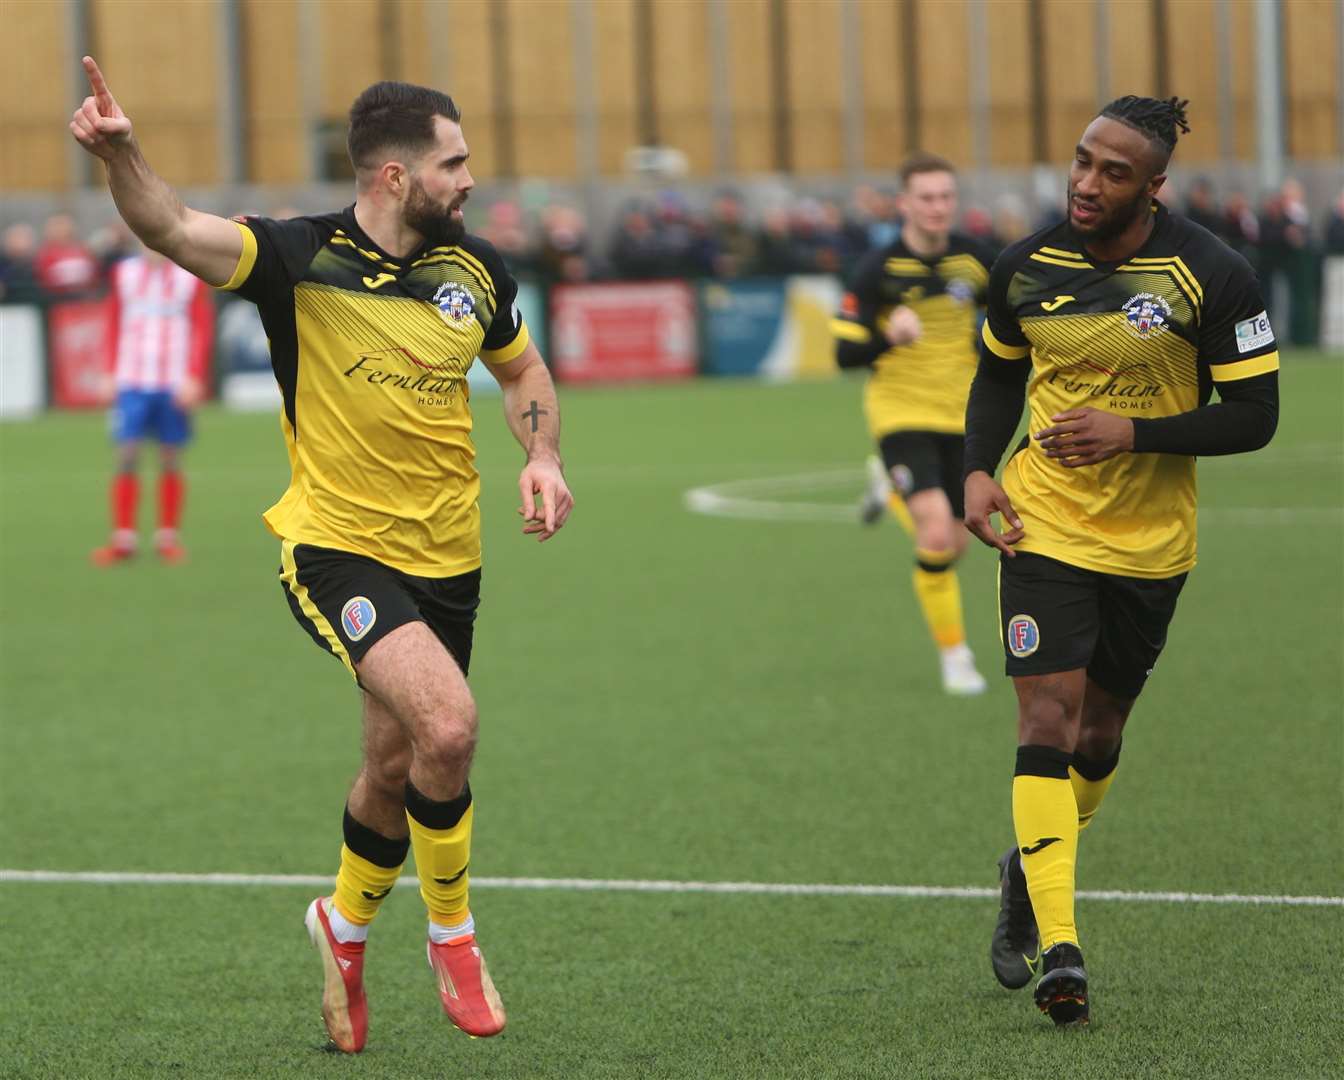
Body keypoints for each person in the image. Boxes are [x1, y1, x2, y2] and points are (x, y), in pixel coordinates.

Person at [71, 57, 574, 1052]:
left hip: (451, 559)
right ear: (396, 176)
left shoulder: (475, 270)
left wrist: (544, 454)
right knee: (451, 727)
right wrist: (123, 157)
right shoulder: (297, 257)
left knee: (393, 766)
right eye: (454, 162)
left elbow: (521, 369)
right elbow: (172, 227)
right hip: (337, 550)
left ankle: (342, 927)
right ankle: (453, 933)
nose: (470, 179)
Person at [962, 96, 1278, 1026]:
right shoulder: (1025, 266)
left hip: (1150, 542)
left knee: (1099, 736)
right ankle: (1062, 944)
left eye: (1112, 172)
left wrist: (1132, 431)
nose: (1086, 183)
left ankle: (1028, 870)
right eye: (1081, 161)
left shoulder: (1211, 274)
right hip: (1042, 522)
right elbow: (996, 372)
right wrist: (978, 470)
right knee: (1046, 715)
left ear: (1154, 186)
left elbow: (1255, 417)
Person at [832, 152, 998, 695]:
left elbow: (1016, 324)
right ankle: (956, 657)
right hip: (901, 411)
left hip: (963, 414)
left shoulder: (977, 262)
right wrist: (889, 339)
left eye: (946, 196)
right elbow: (844, 356)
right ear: (904, 203)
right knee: (933, 532)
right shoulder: (876, 269)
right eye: (926, 197)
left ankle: (890, 487)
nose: (937, 207)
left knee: (956, 541)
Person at [91, 244, 213, 565]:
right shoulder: (124, 273)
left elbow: (202, 326)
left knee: (170, 456)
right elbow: (112, 322)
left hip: (173, 381)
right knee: (126, 453)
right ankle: (123, 538)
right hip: (132, 379)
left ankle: (167, 537)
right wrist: (107, 371)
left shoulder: (189, 277)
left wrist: (195, 375)